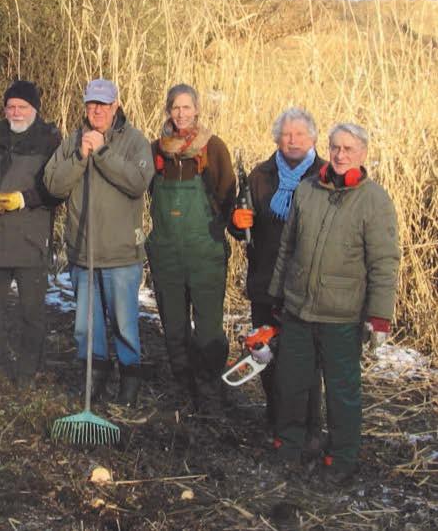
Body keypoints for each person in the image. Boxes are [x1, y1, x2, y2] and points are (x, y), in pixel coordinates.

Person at [269, 123, 399, 484]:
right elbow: (287, 248)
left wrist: (380, 316)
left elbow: (384, 262)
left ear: (362, 154)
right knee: (291, 383)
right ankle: (291, 445)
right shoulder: (308, 190)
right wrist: (279, 294)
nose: (340, 156)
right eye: (335, 148)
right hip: (298, 309)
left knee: (342, 391)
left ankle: (341, 457)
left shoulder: (374, 200)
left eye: (349, 149)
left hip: (342, 316)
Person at [44, 79, 153, 405]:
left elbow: (137, 183)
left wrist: (102, 153)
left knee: (124, 324)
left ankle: (129, 381)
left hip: (121, 255)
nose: (97, 111)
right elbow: (52, 185)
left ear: (116, 106)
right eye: (92, 104)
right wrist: (80, 156)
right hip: (83, 253)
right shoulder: (72, 142)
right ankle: (95, 377)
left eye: (104, 105)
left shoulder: (134, 142)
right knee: (86, 328)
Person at [229, 107, 325, 438]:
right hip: (265, 284)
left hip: (307, 289)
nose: (293, 140)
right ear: (277, 139)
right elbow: (243, 227)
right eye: (286, 134)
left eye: (299, 134)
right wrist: (237, 224)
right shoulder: (260, 175)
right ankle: (276, 421)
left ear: (313, 137)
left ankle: (309, 428)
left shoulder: (326, 176)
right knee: (264, 354)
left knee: (305, 363)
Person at [0, 80, 62, 385]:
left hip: (31, 238)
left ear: (35, 109)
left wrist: (23, 199)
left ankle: (28, 370)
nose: (16, 112)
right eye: (11, 106)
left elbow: (58, 187)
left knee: (32, 311)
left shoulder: (50, 139)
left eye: (22, 107)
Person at [147, 83, 235, 414]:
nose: (181, 114)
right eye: (175, 108)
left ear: (197, 110)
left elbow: (227, 194)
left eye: (187, 107)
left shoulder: (213, 148)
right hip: (167, 252)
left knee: (208, 328)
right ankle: (183, 386)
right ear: (168, 111)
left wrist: (215, 230)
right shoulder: (156, 149)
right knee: (173, 325)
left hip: (205, 253)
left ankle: (209, 389)